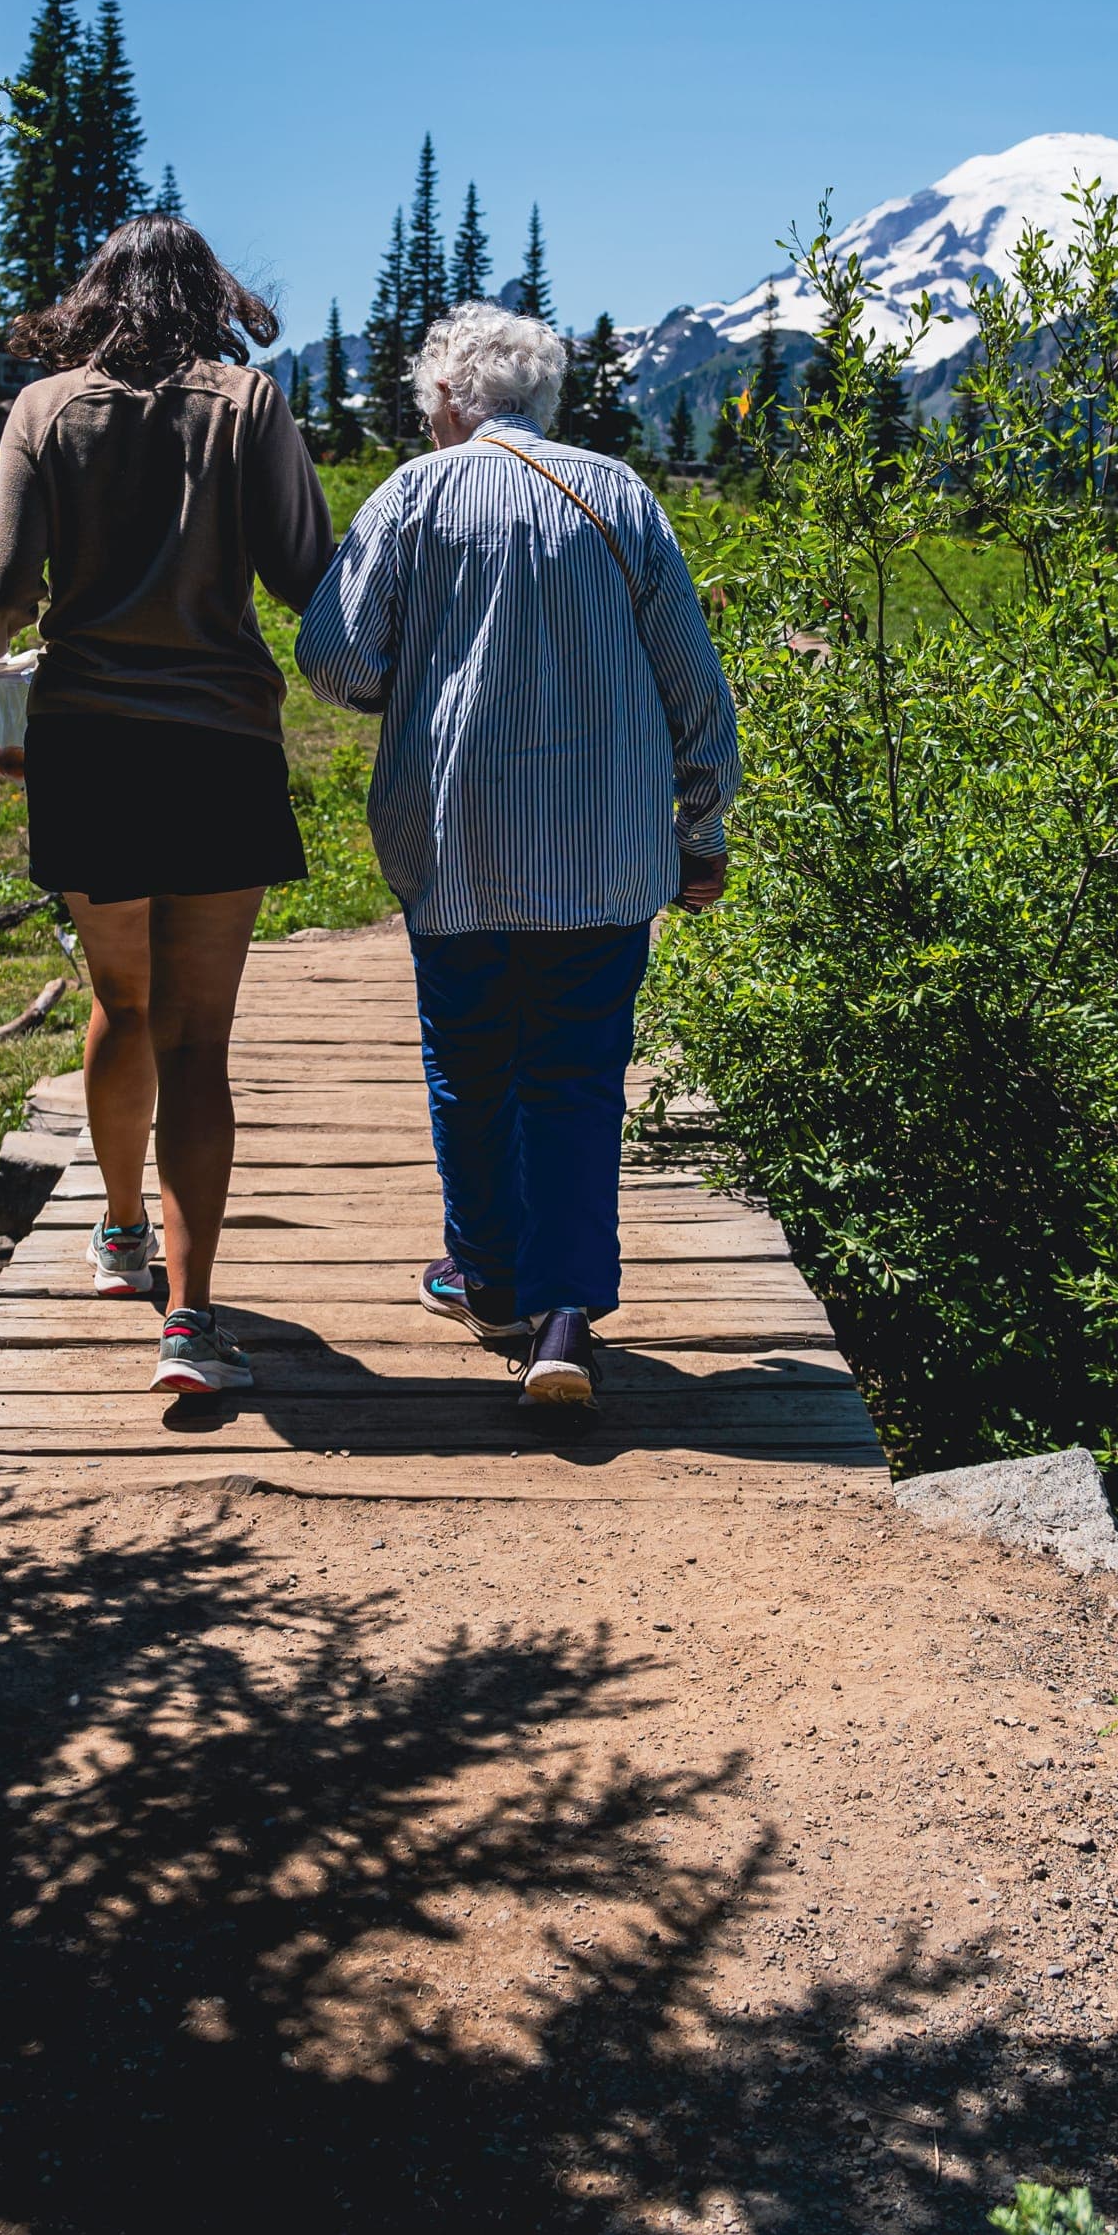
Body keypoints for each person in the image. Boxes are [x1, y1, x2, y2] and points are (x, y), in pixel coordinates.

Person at [296, 303, 739, 1408]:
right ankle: (566, 1320)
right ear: (541, 401)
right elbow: (695, 685)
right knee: (577, 1078)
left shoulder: (411, 493)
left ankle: (487, 1280)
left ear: (449, 400)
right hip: (603, 854)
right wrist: (702, 826)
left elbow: (334, 657)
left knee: (473, 1068)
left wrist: (425, 693)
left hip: (458, 849)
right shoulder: (621, 495)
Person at [0, 214, 335, 1397]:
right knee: (199, 1040)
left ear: (96, 293)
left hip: (91, 746)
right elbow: (305, 572)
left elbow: (3, 584)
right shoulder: (248, 405)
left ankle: (119, 1237)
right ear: (208, 295)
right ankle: (193, 1323)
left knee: (121, 998)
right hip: (220, 745)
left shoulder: (48, 408)